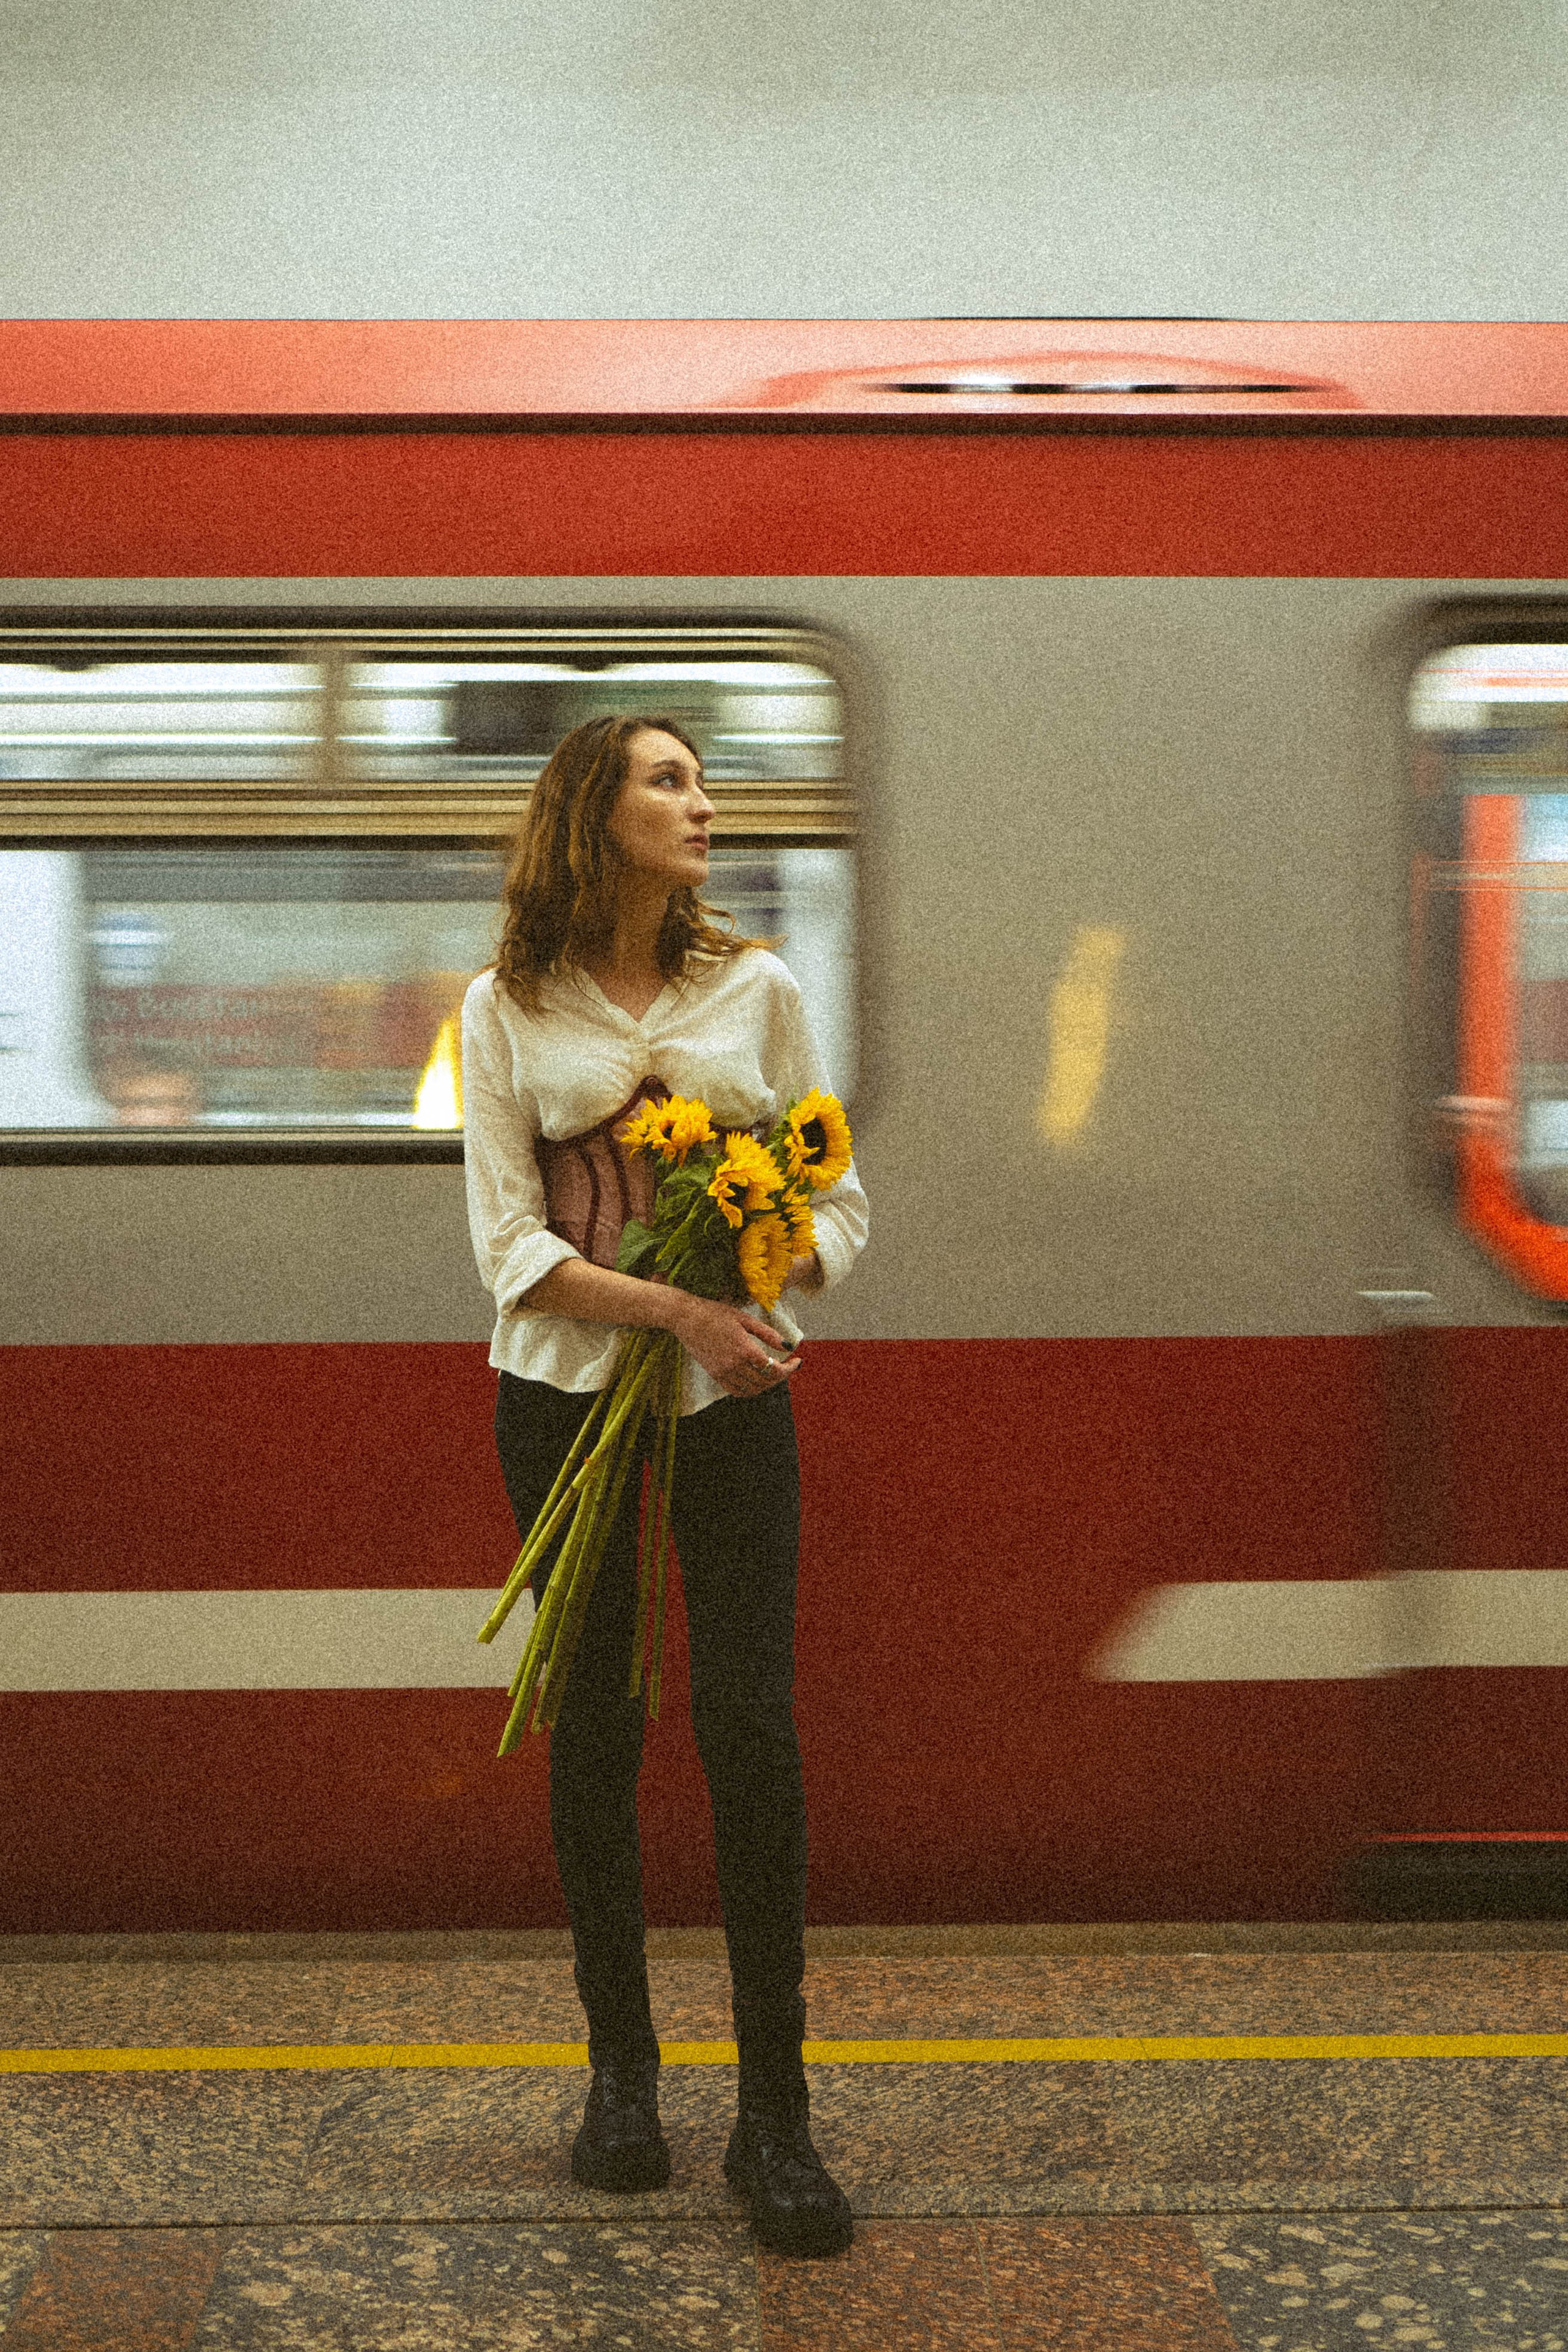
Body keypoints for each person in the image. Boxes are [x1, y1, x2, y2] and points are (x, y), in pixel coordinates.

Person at [461, 714, 869, 2259]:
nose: (704, 804)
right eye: (670, 781)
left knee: (751, 1726)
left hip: (728, 1408)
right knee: (597, 1726)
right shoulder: (503, 1006)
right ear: (594, 811)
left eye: (702, 781)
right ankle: (620, 2080)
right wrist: (676, 1305)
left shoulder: (755, 990)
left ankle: (777, 2114)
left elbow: (837, 1196)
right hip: (559, 1404)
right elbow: (510, 1253)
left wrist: (769, 1256)